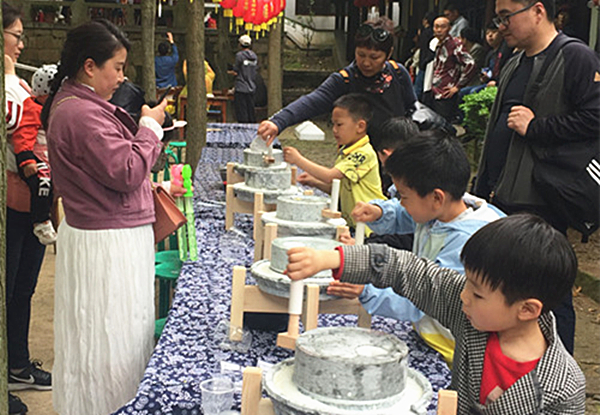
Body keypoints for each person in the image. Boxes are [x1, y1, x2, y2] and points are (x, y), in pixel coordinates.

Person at [285, 214, 586, 414]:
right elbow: (406, 269)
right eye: (467, 282)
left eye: (477, 293)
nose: (464, 296)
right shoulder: (471, 315)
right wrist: (332, 257)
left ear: (527, 309)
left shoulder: (562, 387)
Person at [41, 19, 167, 415]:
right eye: (117, 66)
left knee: (101, 340)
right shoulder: (80, 114)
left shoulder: (73, 104)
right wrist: (149, 128)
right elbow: (127, 170)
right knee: (111, 341)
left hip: (101, 235)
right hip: (107, 243)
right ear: (90, 66)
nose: (121, 77)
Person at [474, 0, 600, 354]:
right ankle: (515, 368)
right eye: (498, 18)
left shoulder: (575, 57)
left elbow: (595, 118)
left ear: (538, 11)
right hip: (502, 196)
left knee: (546, 296)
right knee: (506, 293)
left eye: (506, 17)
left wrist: (538, 128)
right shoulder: (514, 61)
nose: (501, 26)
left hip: (541, 201)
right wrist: (483, 187)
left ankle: (560, 381)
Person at [331, 131, 505, 365]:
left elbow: (426, 297)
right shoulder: (443, 209)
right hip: (429, 329)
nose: (400, 202)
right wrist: (381, 212)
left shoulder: (469, 243)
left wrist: (366, 290)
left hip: (454, 347)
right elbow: (410, 214)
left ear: (436, 198)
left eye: (403, 196)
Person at [258, 17, 416, 146]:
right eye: (361, 55)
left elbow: (413, 109)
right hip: (357, 160)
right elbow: (312, 102)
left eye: (374, 57)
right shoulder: (345, 79)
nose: (366, 63)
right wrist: (278, 122)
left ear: (389, 54)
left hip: (396, 158)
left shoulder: (398, 73)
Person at [3, 4, 52, 414]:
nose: (21, 44)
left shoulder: (17, 83)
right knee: (10, 288)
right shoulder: (8, 86)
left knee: (22, 289)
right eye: (15, 35)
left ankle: (17, 364)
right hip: (12, 199)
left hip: (28, 202)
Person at [282, 94, 385, 230]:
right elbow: (339, 188)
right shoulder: (347, 150)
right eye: (333, 124)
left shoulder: (363, 153)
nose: (334, 130)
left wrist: (298, 160)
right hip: (355, 224)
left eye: (339, 125)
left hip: (369, 227)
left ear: (360, 126)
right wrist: (315, 183)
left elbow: (330, 176)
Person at [11, 64, 58, 245]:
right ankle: (41, 221)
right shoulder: (32, 109)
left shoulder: (49, 110)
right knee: (43, 184)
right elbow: (23, 134)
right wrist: (26, 160)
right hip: (31, 158)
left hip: (46, 157)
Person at [425, 16, 476, 123]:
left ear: (449, 28)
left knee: (443, 126)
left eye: (443, 27)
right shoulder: (436, 43)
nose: (439, 30)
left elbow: (470, 64)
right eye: (436, 27)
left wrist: (458, 86)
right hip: (433, 90)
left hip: (445, 92)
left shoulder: (455, 44)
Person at [230, 34, 258, 123]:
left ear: (240, 44)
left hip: (241, 87)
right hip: (251, 86)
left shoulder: (239, 55)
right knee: (251, 109)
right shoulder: (254, 56)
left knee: (241, 110)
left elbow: (236, 70)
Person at [414, 12, 436, 99]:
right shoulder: (432, 34)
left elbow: (423, 48)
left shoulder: (425, 33)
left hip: (424, 62)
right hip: (428, 61)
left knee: (418, 86)